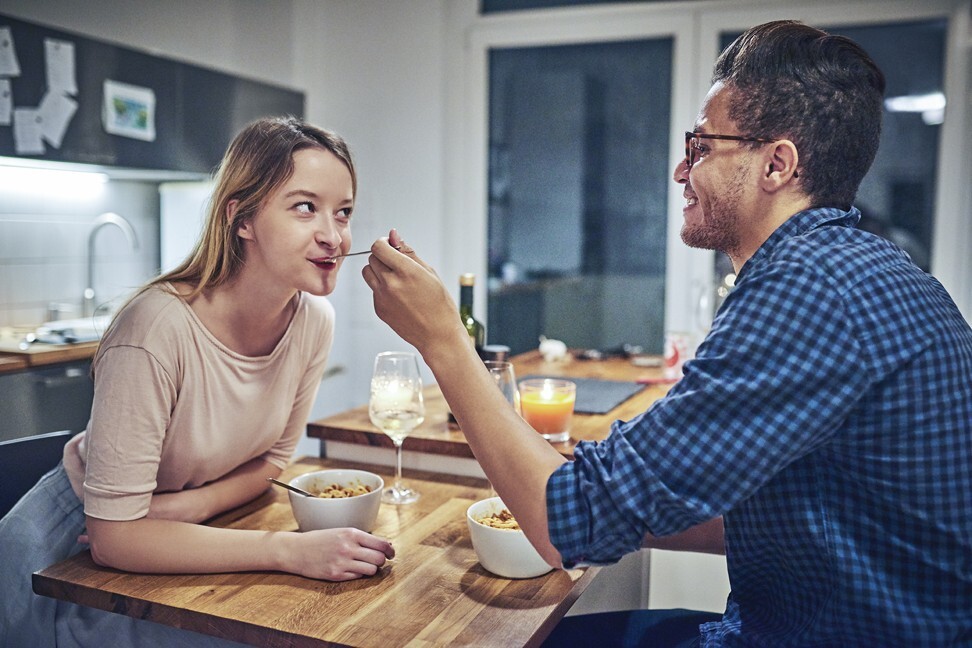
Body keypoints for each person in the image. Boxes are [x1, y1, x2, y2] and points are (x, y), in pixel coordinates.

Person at [363, 21, 972, 647]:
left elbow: (567, 524)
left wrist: (442, 340)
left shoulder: (808, 287)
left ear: (777, 164)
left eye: (702, 146)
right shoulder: (875, 269)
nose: (682, 169)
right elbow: (771, 514)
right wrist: (608, 485)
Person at [0, 116, 394, 648]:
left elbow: (274, 462)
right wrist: (287, 550)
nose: (333, 234)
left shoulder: (311, 321)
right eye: (306, 207)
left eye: (343, 212)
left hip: (187, 524)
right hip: (66, 553)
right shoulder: (155, 327)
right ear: (242, 218)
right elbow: (115, 541)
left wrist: (191, 506)